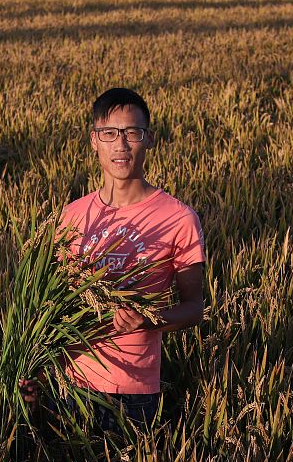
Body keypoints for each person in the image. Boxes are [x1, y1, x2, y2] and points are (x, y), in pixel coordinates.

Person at [23, 87, 206, 432]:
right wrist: (36, 370)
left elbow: (194, 307)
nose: (120, 145)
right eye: (109, 133)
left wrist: (147, 320)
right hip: (68, 385)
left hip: (133, 394)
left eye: (132, 133)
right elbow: (52, 308)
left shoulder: (178, 218)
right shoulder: (71, 216)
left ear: (149, 139)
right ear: (94, 140)